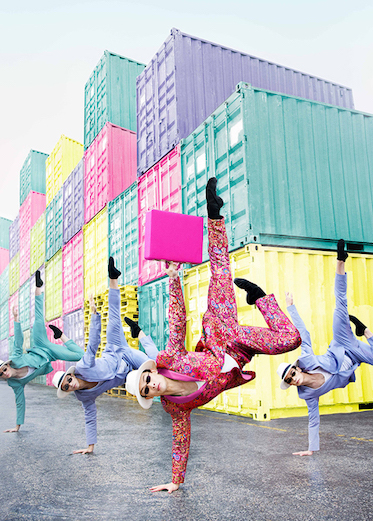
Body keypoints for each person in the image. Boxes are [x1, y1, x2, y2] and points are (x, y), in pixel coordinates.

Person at [125, 177, 301, 493]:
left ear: (151, 372)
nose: (152, 384)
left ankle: (215, 215)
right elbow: (180, 441)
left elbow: (177, 321)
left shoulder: (171, 359)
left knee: (223, 272)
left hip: (222, 331)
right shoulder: (176, 408)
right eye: (148, 390)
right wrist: (175, 482)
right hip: (240, 354)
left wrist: (174, 278)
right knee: (291, 340)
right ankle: (260, 298)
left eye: (147, 380)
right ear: (151, 396)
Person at [279, 239, 373, 455]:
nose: (293, 378)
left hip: (343, 343)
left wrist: (291, 307)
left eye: (292, 373)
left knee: (340, 304)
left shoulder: (307, 360)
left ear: (297, 368)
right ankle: (366, 331)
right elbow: (313, 420)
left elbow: (303, 334)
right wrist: (310, 450)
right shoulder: (307, 395)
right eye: (289, 380)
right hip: (355, 359)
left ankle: (340, 261)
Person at [51, 257, 158, 454]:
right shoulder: (84, 397)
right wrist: (90, 446)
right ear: (67, 391)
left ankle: (113, 279)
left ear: (70, 375)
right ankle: (138, 332)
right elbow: (90, 416)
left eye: (67, 380)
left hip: (117, 350)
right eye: (66, 387)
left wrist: (94, 315)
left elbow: (92, 345)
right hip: (126, 375)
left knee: (154, 362)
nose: (70, 384)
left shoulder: (83, 366)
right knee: (153, 369)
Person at [0, 269, 84, 432]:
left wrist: (16, 318)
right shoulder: (14, 383)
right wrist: (17, 426)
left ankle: (38, 288)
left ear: (8, 365)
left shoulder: (15, 357)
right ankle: (60, 335)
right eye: (1, 374)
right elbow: (20, 401)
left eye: (4, 369)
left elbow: (18, 340)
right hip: (50, 356)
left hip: (41, 346)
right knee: (80, 356)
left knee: (40, 320)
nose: (5, 373)